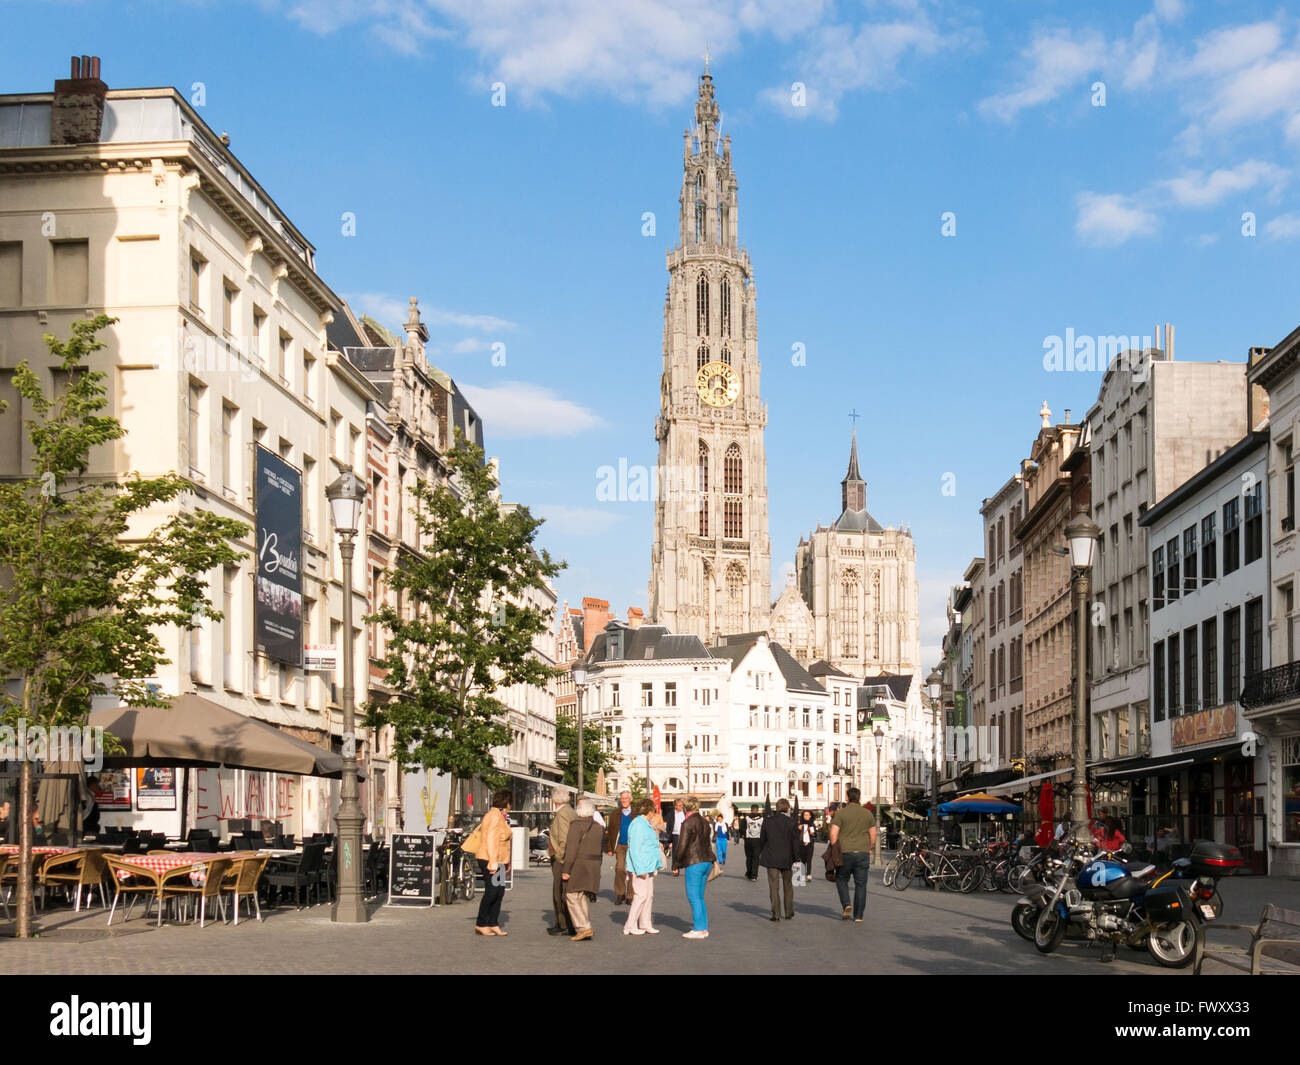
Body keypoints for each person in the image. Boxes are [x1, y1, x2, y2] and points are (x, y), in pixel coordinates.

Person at [470, 788, 515, 937]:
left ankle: (493, 923)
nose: (511, 806)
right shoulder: (494, 816)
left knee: (499, 892)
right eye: (510, 803)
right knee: (492, 891)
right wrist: (494, 863)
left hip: (499, 860)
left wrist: (506, 862)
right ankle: (481, 923)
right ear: (506, 802)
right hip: (490, 859)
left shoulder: (500, 816)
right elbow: (491, 840)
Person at [829, 787, 877, 923]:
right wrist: (869, 847)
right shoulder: (867, 813)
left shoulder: (841, 813)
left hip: (845, 852)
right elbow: (873, 834)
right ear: (859, 797)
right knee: (861, 885)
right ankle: (859, 916)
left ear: (847, 797)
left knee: (841, 879)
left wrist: (834, 848)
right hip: (862, 853)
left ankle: (846, 904)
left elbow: (833, 833)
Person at [561, 797, 605, 942]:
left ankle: (584, 927)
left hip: (579, 865)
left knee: (571, 895)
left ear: (579, 811)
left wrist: (566, 869)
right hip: (593, 866)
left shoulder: (576, 825)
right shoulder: (599, 827)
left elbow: (571, 850)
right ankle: (584, 927)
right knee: (583, 896)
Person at [673, 795, 715, 939]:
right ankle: (703, 927)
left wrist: (676, 864)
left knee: (693, 896)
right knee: (700, 896)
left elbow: (682, 845)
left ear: (685, 808)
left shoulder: (687, 823)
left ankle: (698, 928)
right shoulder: (704, 821)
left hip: (694, 861)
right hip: (707, 860)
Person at [624, 797, 663, 935]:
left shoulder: (643, 823)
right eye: (653, 810)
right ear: (649, 810)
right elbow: (635, 848)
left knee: (648, 896)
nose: (654, 813)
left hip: (648, 865)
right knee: (640, 896)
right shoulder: (638, 824)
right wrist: (640, 869)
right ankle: (630, 925)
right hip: (641, 866)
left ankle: (645, 924)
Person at [759, 798, 798, 921]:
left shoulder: (768, 821)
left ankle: (775, 914)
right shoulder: (791, 822)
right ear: (787, 808)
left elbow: (762, 839)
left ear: (776, 808)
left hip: (772, 857)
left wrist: (763, 852)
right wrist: (797, 858)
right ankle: (788, 911)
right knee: (788, 885)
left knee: (773, 886)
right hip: (787, 858)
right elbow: (795, 842)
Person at [547, 787, 576, 936]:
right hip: (565, 857)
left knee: (559, 891)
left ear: (555, 800)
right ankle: (565, 923)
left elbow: (564, 838)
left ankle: (563, 924)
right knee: (563, 890)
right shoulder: (570, 811)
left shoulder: (563, 814)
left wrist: (560, 855)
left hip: (562, 859)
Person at [604, 789, 634, 905]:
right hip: (620, 845)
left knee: (631, 870)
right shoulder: (615, 813)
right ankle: (620, 893)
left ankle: (630, 895)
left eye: (626, 798)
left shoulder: (636, 813)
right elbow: (610, 831)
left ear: (630, 799)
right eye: (622, 799)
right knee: (620, 868)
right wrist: (610, 848)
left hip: (632, 845)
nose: (624, 801)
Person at [743, 804, 764, 881]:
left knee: (749, 858)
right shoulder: (762, 819)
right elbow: (764, 829)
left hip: (748, 840)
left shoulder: (746, 818)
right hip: (758, 840)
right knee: (756, 858)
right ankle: (754, 875)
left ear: (751, 810)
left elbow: (742, 828)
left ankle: (749, 873)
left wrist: (744, 836)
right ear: (757, 810)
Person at [796, 810, 816, 880]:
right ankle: (802, 874)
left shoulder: (812, 824)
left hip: (809, 844)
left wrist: (811, 831)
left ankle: (809, 874)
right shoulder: (800, 824)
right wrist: (799, 828)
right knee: (802, 860)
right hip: (801, 844)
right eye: (805, 815)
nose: (806, 816)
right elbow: (796, 833)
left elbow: (813, 834)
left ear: (810, 816)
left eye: (808, 815)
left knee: (809, 859)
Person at [669, 798, 685, 875]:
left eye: (682, 805)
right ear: (675, 806)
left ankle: (686, 867)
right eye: (679, 805)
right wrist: (669, 839)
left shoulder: (685, 812)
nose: (681, 806)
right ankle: (675, 868)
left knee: (685, 852)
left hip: (685, 835)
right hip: (675, 834)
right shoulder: (671, 814)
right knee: (675, 852)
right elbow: (668, 826)